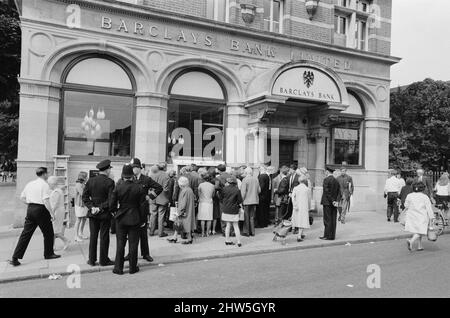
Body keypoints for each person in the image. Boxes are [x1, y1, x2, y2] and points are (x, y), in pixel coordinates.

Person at [9, 167, 60, 267]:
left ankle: (15, 257)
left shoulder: (30, 184)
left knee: (26, 234)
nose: (48, 175)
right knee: (48, 233)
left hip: (31, 209)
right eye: (47, 173)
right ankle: (48, 253)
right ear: (44, 174)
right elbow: (46, 200)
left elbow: (22, 197)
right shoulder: (44, 185)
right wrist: (52, 213)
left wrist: (30, 205)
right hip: (41, 210)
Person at [110, 165, 148, 275]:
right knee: (133, 243)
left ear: (123, 176)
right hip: (135, 217)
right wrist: (143, 219)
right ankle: (132, 267)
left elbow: (112, 204)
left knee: (120, 243)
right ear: (132, 176)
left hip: (121, 217)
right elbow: (143, 205)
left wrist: (115, 212)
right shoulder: (139, 187)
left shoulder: (118, 187)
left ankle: (118, 268)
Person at [127, 158, 162, 262]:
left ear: (139, 168)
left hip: (142, 210)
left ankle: (145, 253)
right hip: (131, 209)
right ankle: (130, 253)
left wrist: (150, 196)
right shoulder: (128, 179)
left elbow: (159, 188)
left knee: (143, 234)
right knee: (131, 234)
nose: (133, 170)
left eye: (135, 168)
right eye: (131, 168)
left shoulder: (146, 179)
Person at [82, 160, 115, 267]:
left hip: (93, 214)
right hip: (104, 213)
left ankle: (91, 260)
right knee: (104, 237)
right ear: (107, 169)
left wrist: (92, 207)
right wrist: (100, 208)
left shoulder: (90, 181)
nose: (110, 170)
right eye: (110, 169)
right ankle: (103, 260)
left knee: (93, 236)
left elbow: (85, 197)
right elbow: (111, 200)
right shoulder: (110, 182)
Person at [405, 182, 435, 252]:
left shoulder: (409, 195)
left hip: (412, 215)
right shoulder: (424, 197)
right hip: (422, 216)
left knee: (418, 230)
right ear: (423, 189)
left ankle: (419, 246)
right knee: (421, 231)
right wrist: (431, 217)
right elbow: (429, 209)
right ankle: (411, 241)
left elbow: (406, 205)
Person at [168, 176, 196, 244]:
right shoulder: (189, 189)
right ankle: (176, 237)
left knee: (182, 224)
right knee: (182, 224)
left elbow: (183, 203)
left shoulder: (184, 191)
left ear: (181, 184)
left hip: (184, 211)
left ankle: (187, 239)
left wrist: (179, 212)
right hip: (188, 210)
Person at [219, 176, 243, 247]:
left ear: (228, 182)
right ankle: (238, 242)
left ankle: (227, 240)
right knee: (235, 226)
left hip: (226, 209)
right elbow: (239, 201)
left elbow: (220, 198)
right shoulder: (237, 190)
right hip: (234, 209)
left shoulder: (224, 189)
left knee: (228, 225)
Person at [48, 176, 70, 251]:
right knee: (54, 230)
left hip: (57, 211)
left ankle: (65, 240)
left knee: (54, 230)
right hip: (58, 210)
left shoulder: (56, 191)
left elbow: (55, 204)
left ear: (53, 184)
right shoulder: (57, 190)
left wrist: (52, 213)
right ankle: (52, 246)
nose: (48, 185)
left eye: (49, 184)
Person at [149, 163, 170, 237]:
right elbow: (166, 189)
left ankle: (151, 231)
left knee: (153, 214)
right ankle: (160, 233)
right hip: (162, 197)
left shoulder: (152, 174)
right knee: (161, 215)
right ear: (164, 168)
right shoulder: (166, 176)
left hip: (153, 197)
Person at [320, 167, 340, 241]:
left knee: (327, 219)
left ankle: (327, 235)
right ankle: (332, 236)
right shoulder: (336, 180)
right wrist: (336, 201)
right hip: (334, 203)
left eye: (325, 171)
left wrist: (332, 201)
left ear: (327, 172)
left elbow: (326, 192)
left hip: (327, 202)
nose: (325, 172)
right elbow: (339, 192)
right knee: (333, 219)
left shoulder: (326, 180)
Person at [240, 167, 261, 237]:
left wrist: (241, 201)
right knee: (252, 217)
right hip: (254, 200)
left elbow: (243, 193)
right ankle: (253, 232)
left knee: (246, 217)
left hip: (247, 201)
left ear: (246, 173)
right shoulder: (256, 179)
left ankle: (247, 232)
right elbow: (259, 191)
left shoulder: (245, 180)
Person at [292, 174, 311, 242]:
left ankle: (301, 233)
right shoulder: (307, 189)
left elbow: (293, 197)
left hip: (297, 206)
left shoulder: (296, 188)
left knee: (298, 220)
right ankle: (299, 236)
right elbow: (309, 199)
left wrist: (295, 205)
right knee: (302, 220)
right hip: (304, 206)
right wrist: (309, 207)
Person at [215, 164, 232, 235]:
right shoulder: (231, 176)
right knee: (230, 214)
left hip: (222, 198)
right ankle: (231, 230)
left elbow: (216, 187)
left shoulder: (218, 178)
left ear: (219, 170)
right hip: (231, 197)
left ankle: (224, 231)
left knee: (223, 214)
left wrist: (221, 189)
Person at [74, 171, 89, 242]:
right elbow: (83, 194)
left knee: (84, 219)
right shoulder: (78, 184)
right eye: (86, 176)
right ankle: (76, 236)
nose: (87, 178)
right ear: (83, 177)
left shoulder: (83, 183)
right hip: (80, 204)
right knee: (79, 220)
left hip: (84, 204)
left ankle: (81, 233)